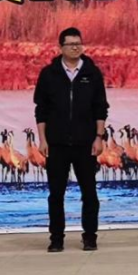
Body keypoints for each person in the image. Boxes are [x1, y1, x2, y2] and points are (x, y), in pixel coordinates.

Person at [34, 27, 109, 252]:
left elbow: (101, 108)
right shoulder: (49, 74)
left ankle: (90, 236)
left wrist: (99, 137)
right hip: (56, 143)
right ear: (61, 47)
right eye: (70, 44)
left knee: (89, 192)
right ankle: (56, 238)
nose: (75, 47)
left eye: (78, 43)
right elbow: (41, 110)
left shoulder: (92, 73)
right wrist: (43, 139)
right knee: (56, 194)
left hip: (85, 143)